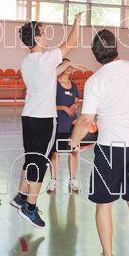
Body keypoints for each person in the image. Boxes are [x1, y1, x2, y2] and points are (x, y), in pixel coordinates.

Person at [71, 29, 129, 256]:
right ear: (116, 47)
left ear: (95, 54)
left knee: (104, 204)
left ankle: (108, 253)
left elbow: (86, 120)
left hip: (110, 150)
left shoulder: (95, 81)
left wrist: (73, 142)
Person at [10, 13, 85, 228]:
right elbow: (71, 43)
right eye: (43, 33)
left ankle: (21, 196)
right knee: (40, 162)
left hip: (28, 117)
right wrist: (77, 22)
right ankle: (30, 207)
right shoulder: (47, 58)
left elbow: (52, 72)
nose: (46, 36)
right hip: (44, 119)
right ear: (36, 38)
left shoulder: (27, 62)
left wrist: (69, 65)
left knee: (30, 158)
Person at [46, 59, 81, 194]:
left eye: (70, 66)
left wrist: (76, 105)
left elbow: (77, 101)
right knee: (55, 153)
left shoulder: (74, 85)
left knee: (74, 152)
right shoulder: (54, 84)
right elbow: (48, 104)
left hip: (72, 125)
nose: (69, 68)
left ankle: (73, 180)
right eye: (66, 66)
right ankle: (53, 180)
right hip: (58, 124)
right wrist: (63, 107)